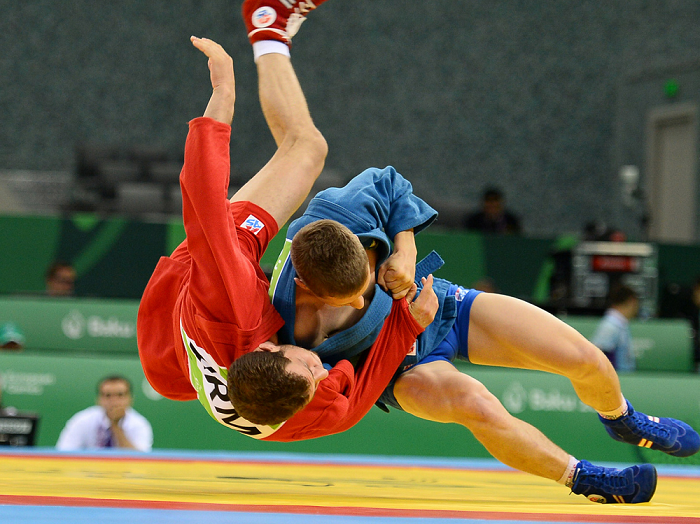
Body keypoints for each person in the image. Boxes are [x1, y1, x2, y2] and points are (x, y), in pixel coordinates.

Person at [137, 3, 436, 440]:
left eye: (310, 365)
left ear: (267, 347)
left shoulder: (233, 301)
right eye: (319, 375)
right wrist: (408, 324)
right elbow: (354, 403)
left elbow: (202, 205)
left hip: (191, 296)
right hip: (170, 369)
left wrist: (222, 96)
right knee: (171, 383)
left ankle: (267, 22)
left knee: (306, 147)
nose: (322, 369)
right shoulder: (309, 402)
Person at [56, 376, 152, 451]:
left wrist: (115, 426)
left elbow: (140, 460)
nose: (114, 401)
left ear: (130, 399)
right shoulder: (82, 420)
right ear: (98, 399)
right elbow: (64, 452)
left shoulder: (140, 424)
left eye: (120, 395)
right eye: (108, 395)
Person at [590, 285, 639, 372]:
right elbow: (599, 355)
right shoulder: (610, 326)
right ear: (632, 301)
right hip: (615, 379)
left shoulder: (621, 324)